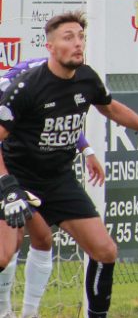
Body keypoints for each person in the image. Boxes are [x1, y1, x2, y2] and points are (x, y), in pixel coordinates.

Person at [0, 11, 138, 318]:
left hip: (59, 180)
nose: (77, 43)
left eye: (80, 37)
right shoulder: (26, 87)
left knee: (105, 252)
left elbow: (110, 108)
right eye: (68, 37)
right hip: (18, 179)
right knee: (4, 254)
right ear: (50, 46)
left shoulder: (87, 77)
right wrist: (7, 187)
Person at [0, 56, 105, 318]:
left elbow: (60, 116)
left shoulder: (60, 81)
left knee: (43, 238)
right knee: (8, 246)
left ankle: (29, 312)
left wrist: (88, 150)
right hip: (8, 170)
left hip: (24, 172)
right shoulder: (18, 85)